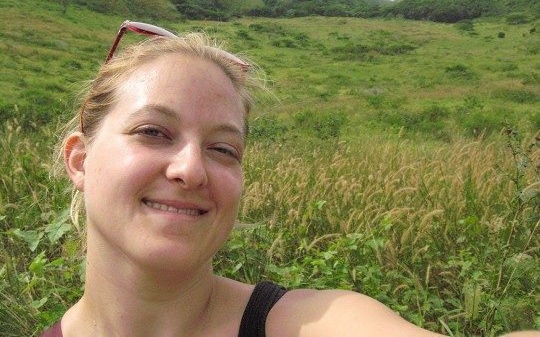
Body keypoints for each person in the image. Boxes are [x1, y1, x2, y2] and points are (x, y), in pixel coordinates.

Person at [40, 21, 539, 337]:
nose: (190, 170)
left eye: (222, 149)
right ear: (79, 160)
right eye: (153, 132)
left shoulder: (302, 324)